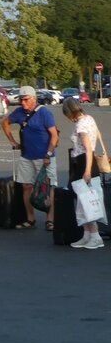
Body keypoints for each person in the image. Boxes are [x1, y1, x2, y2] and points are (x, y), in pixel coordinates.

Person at [2, 85, 59, 230]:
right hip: (27, 156)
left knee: (47, 188)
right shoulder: (19, 112)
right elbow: (5, 122)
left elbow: (54, 134)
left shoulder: (44, 113)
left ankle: (50, 220)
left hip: (44, 156)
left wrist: (48, 154)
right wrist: (12, 141)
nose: (23, 103)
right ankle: (30, 218)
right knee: (26, 186)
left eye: (26, 99)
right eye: (21, 99)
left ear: (34, 99)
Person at [62, 97, 103, 249]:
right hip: (87, 163)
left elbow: (87, 149)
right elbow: (96, 136)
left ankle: (95, 236)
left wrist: (86, 171)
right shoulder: (89, 119)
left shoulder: (80, 125)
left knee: (86, 201)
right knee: (83, 201)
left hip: (84, 164)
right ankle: (87, 235)